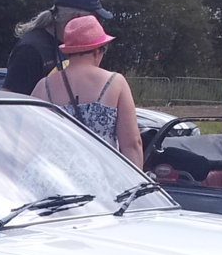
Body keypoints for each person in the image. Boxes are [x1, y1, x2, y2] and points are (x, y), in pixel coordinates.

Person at [30, 16, 142, 166]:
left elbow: (29, 142)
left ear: (68, 52)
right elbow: (132, 144)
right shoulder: (115, 82)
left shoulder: (43, 87)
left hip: (54, 180)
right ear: (97, 51)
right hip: (99, 180)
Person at [2, 0, 113, 95]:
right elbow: (10, 100)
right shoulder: (30, 50)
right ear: (76, 18)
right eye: (96, 19)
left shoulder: (75, 46)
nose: (99, 25)